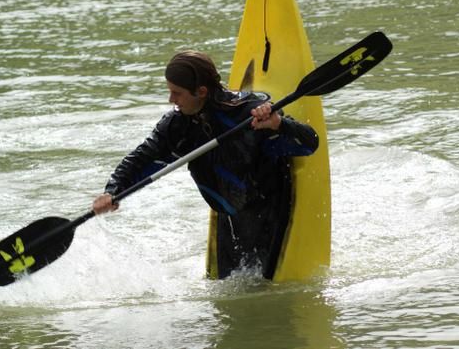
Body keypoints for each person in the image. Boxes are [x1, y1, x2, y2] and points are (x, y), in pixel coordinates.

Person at [93, 51, 318, 279]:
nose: (171, 100)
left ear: (201, 92)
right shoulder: (177, 126)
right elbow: (142, 159)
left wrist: (278, 124)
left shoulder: (248, 112)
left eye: (176, 93)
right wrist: (113, 191)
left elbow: (310, 144)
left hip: (272, 212)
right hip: (229, 218)